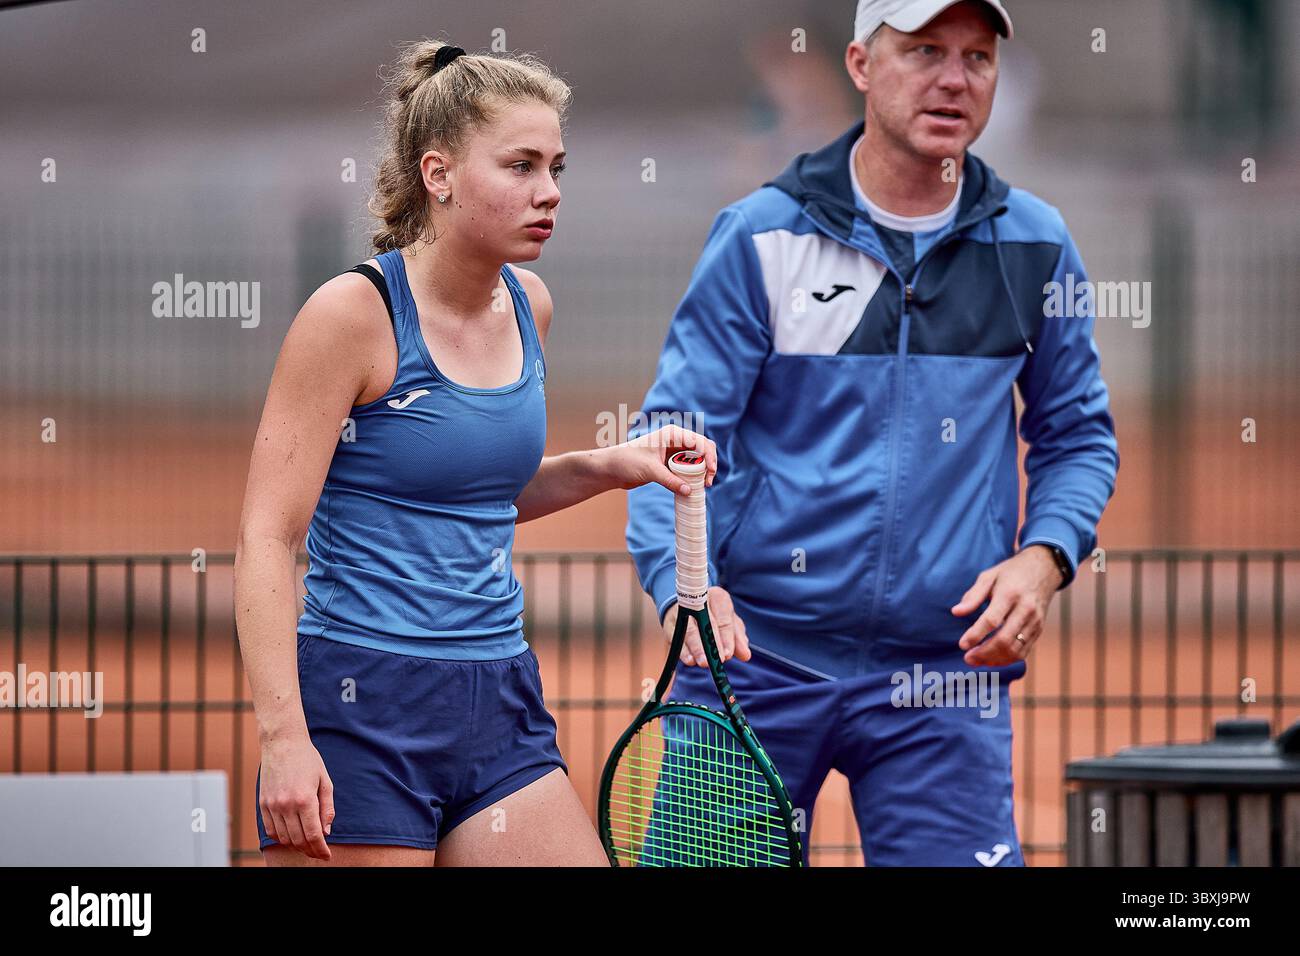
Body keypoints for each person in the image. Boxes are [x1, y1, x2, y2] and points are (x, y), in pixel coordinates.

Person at [627, 0, 1119, 866]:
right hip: (753, 665)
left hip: (944, 674)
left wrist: (1044, 559)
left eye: (976, 57)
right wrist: (682, 592)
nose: (953, 78)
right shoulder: (762, 235)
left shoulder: (1036, 244)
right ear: (860, 65)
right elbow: (673, 437)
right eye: (924, 49)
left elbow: (1077, 433)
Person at [235, 40, 715, 867]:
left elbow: (489, 491)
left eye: (557, 166)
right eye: (521, 165)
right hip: (361, 700)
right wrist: (284, 738)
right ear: (439, 173)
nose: (550, 192)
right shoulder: (352, 314)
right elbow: (266, 536)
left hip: (499, 696)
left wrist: (619, 462)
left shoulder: (531, 305)